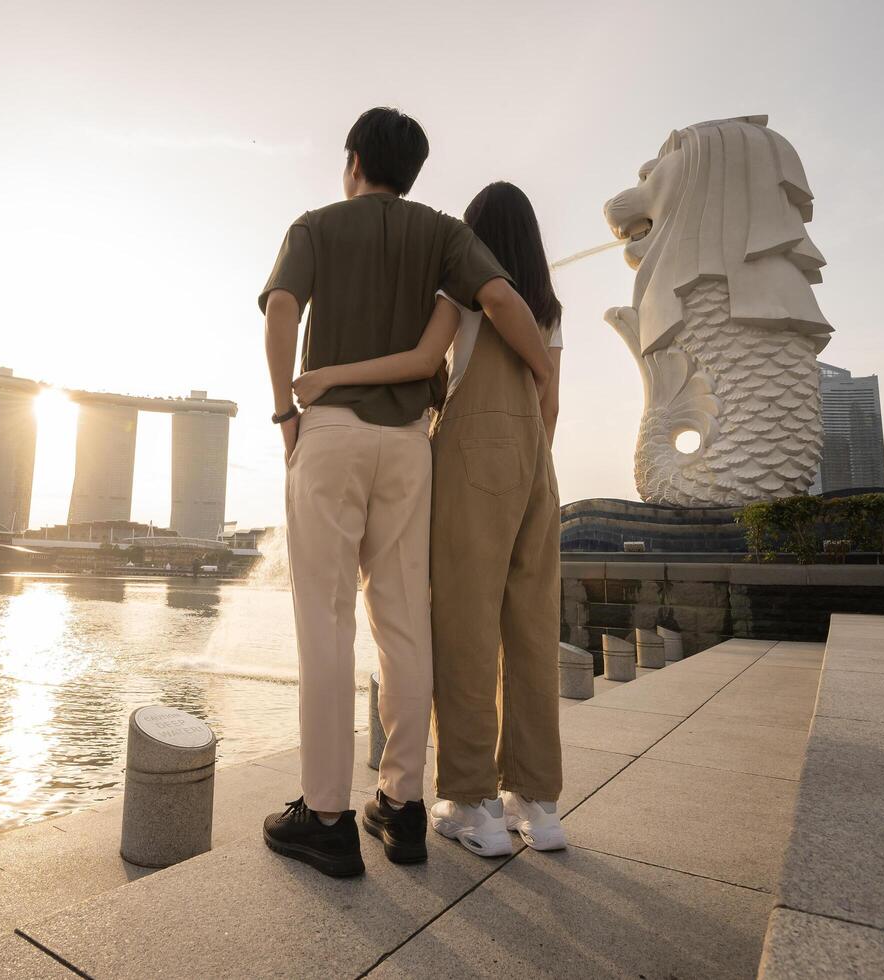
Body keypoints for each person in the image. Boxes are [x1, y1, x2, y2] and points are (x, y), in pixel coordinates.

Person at [259, 111, 553, 877]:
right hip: (411, 450)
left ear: (352, 160)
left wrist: (285, 407)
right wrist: (544, 375)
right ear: (414, 171)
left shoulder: (315, 226)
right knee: (402, 626)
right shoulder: (443, 233)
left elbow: (283, 309)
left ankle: (324, 815)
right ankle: (404, 804)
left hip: (330, 434)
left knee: (324, 622)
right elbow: (502, 301)